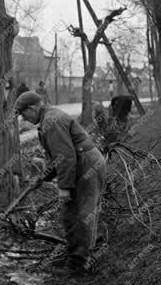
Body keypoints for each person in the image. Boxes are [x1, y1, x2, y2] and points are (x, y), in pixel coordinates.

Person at [14, 90, 107, 274]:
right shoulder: (49, 117)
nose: (24, 119)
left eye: (23, 114)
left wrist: (64, 187)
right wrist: (41, 178)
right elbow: (59, 158)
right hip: (83, 162)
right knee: (73, 214)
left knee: (82, 214)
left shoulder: (51, 121)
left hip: (86, 165)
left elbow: (65, 157)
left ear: (32, 108)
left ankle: (79, 264)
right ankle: (88, 252)